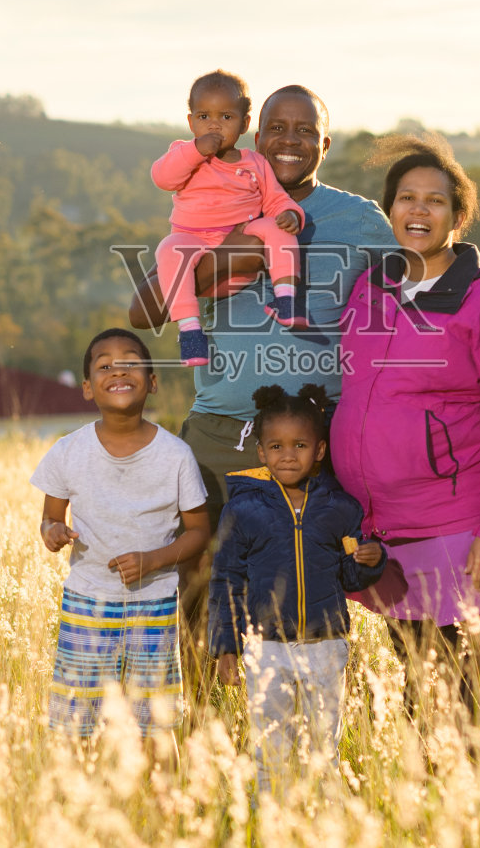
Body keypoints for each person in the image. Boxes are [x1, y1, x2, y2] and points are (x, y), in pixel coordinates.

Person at [128, 85, 395, 695]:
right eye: (278, 128)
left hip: (313, 444)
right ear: (255, 137)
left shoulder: (359, 221)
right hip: (218, 435)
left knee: (305, 593)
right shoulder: (214, 198)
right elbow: (143, 309)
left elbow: (403, 311)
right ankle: (203, 738)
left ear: (325, 144)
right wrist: (233, 255)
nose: (290, 141)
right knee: (199, 589)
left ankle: (298, 736)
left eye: (306, 131)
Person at [330, 135, 480, 723]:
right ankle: (427, 808)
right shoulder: (369, 289)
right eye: (406, 198)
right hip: (383, 532)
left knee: (467, 693)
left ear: (458, 216)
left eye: (435, 201)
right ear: (390, 210)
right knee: (418, 691)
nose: (418, 211)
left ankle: (479, 809)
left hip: (454, 531)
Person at [33, 328, 212, 751]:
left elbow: (200, 532)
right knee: (77, 724)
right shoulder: (67, 451)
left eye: (131, 362)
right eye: (105, 365)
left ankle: (159, 809)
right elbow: (48, 519)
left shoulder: (175, 456)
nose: (119, 371)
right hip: (86, 604)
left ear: (153, 381)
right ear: (87, 387)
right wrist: (53, 532)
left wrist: (153, 560)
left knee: (154, 725)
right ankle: (84, 804)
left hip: (154, 607)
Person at [208, 383, 385, 792]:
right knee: (271, 756)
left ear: (320, 451)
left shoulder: (340, 508)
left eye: (300, 444)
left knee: (325, 754)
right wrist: (226, 646)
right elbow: (226, 580)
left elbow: (350, 577)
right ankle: (270, 827)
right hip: (266, 650)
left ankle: (328, 830)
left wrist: (372, 564)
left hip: (326, 647)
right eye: (276, 446)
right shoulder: (243, 510)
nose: (288, 455)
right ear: (261, 452)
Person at [151, 70, 307, 366]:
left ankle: (285, 298)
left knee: (278, 228)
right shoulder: (184, 154)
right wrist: (195, 151)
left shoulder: (256, 162)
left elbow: (275, 199)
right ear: (190, 122)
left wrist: (290, 214)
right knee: (169, 249)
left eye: (226, 117)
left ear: (245, 123)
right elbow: (162, 177)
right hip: (196, 251)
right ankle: (190, 332)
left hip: (243, 252)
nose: (214, 125)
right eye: (204, 117)